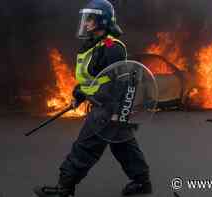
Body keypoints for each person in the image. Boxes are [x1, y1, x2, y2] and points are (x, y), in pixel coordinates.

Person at [33, 0, 152, 196]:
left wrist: (115, 112)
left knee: (85, 147)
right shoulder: (92, 45)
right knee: (123, 145)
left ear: (102, 21)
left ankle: (64, 188)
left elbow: (122, 83)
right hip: (104, 104)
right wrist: (79, 94)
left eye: (90, 19)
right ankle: (142, 183)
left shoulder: (112, 47)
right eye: (85, 19)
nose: (86, 23)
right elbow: (94, 80)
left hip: (107, 108)